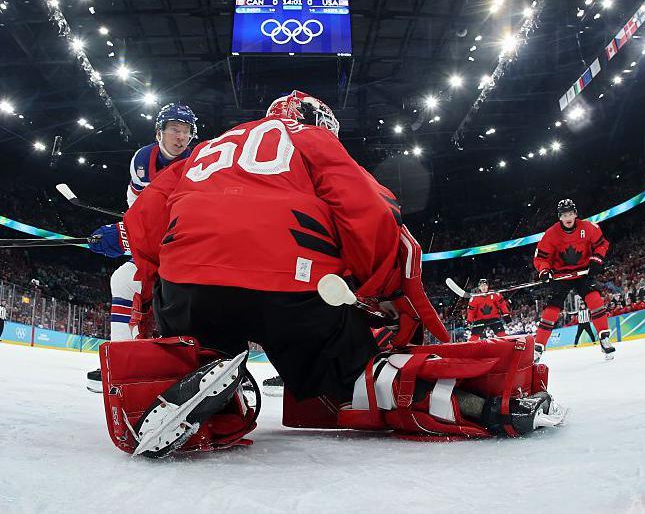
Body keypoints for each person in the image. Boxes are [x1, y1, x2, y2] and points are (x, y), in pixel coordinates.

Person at [108, 91, 562, 456]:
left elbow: (144, 220)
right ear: (314, 120)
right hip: (289, 282)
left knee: (197, 344)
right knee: (352, 372)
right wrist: (375, 287)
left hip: (188, 281)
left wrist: (160, 281)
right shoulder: (311, 139)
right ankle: (481, 406)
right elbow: (370, 211)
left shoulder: (209, 146)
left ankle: (193, 377)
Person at [85, 103, 197, 392]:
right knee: (123, 279)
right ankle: (121, 360)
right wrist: (130, 231)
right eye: (175, 129)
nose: (181, 137)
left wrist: (129, 235)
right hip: (160, 244)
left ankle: (203, 362)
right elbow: (138, 207)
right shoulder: (142, 160)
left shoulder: (198, 162)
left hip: (188, 249)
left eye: (186, 131)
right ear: (159, 132)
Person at [533, 199, 616, 361]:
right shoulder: (550, 234)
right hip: (561, 275)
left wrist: (597, 259)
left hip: (583, 273)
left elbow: (602, 244)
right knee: (552, 309)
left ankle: (604, 338)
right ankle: (538, 348)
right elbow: (541, 257)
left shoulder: (589, 227)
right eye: (564, 215)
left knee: (595, 299)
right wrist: (544, 270)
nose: (568, 217)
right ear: (559, 217)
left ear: (575, 214)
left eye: (570, 214)